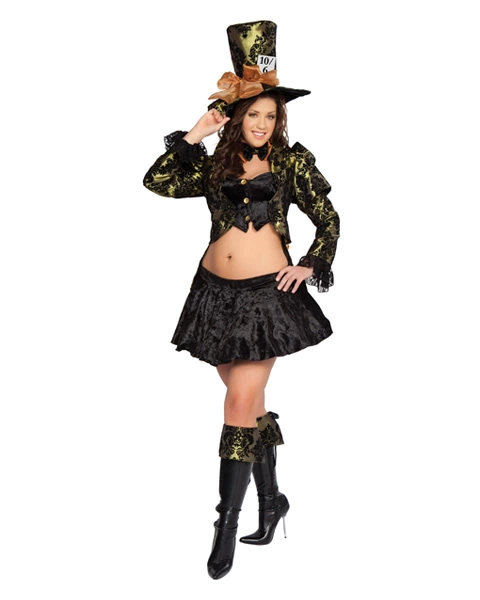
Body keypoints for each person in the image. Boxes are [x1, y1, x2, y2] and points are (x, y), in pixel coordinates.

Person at [143, 20, 340, 580]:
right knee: (247, 404)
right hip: (213, 296)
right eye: (252, 113)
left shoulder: (292, 164)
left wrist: (312, 263)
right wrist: (195, 132)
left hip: (267, 299)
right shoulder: (215, 166)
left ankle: (224, 526)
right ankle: (272, 501)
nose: (261, 123)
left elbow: (328, 218)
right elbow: (157, 182)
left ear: (280, 119)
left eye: (270, 115)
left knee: (236, 405)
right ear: (235, 116)